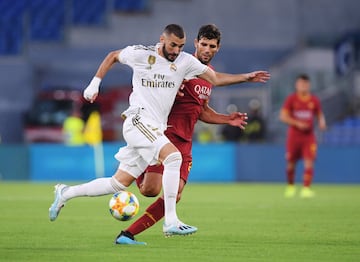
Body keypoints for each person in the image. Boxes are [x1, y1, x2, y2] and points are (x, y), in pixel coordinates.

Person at [48, 24, 270, 239]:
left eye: (180, 46)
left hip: (154, 128)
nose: (176, 51)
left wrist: (246, 77)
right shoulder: (141, 54)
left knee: (117, 183)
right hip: (137, 120)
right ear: (162, 40)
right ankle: (171, 221)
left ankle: (65, 193)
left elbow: (215, 78)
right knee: (173, 157)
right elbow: (113, 55)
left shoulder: (185, 62)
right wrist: (94, 84)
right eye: (173, 45)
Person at [116, 24, 249, 245]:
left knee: (175, 195)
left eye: (212, 46)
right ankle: (137, 165)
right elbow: (155, 89)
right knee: (150, 190)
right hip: (164, 136)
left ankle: (128, 234)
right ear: (196, 44)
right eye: (204, 44)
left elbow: (202, 111)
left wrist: (227, 119)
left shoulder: (207, 76)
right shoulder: (179, 66)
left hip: (186, 142)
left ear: (218, 48)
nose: (207, 49)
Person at [279, 74, 326, 198]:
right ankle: (290, 186)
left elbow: (319, 114)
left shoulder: (314, 100)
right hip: (294, 136)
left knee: (309, 161)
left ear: (309, 85)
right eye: (300, 84)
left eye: (305, 84)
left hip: (308, 136)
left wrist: (322, 121)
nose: (303, 86)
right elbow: (283, 117)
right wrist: (297, 123)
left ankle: (306, 188)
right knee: (290, 163)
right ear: (296, 85)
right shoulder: (291, 99)